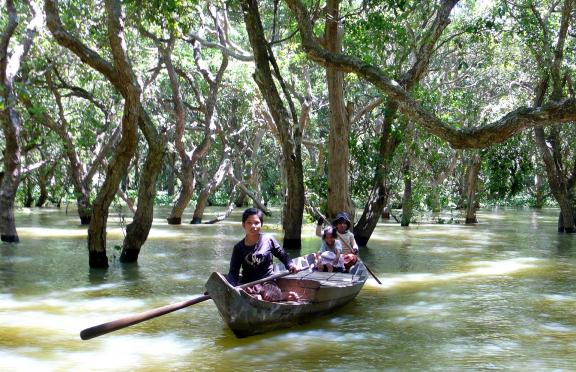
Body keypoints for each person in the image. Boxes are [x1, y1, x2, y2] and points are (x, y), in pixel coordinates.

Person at [227, 207, 297, 287]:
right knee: (253, 296)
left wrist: (291, 265)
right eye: (249, 223)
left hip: (267, 284)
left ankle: (284, 295)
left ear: (261, 224)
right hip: (247, 285)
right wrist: (230, 286)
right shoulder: (238, 248)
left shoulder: (268, 240)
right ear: (243, 225)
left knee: (263, 296)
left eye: (256, 223)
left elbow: (283, 256)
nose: (253, 226)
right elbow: (233, 272)